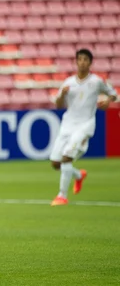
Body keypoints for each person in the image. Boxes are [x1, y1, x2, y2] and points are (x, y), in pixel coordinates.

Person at [50, 49, 117, 206]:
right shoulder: (68, 83)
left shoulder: (96, 81)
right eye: (79, 59)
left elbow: (113, 94)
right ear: (76, 61)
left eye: (85, 59)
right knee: (55, 163)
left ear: (90, 62)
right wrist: (61, 96)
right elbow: (59, 105)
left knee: (67, 157)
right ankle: (79, 175)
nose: (82, 62)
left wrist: (108, 101)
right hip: (67, 125)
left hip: (85, 125)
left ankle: (62, 196)